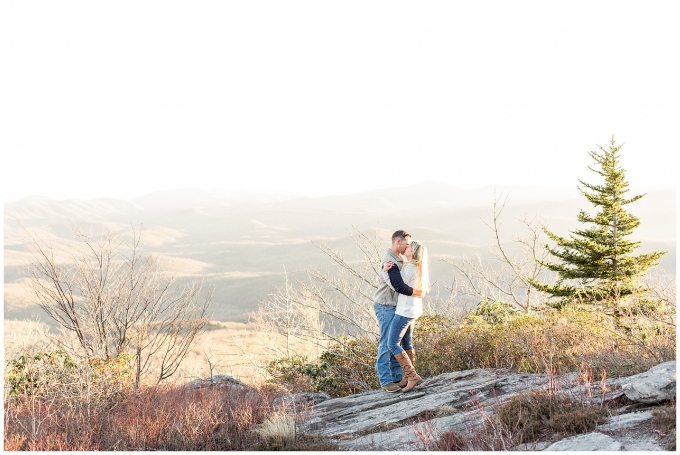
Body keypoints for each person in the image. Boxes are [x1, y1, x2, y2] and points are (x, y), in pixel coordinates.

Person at [373, 230, 422, 393]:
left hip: (400, 307)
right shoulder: (389, 260)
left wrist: (382, 273)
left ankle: (400, 377)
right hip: (387, 305)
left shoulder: (400, 258)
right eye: (406, 244)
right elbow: (398, 286)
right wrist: (383, 272)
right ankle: (386, 380)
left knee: (399, 342)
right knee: (387, 342)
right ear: (398, 242)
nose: (408, 247)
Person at [381, 239, 429, 392]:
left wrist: (384, 273)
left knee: (392, 343)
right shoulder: (419, 267)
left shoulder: (409, 267)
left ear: (412, 253)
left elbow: (397, 285)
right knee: (406, 342)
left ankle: (412, 376)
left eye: (408, 247)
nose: (405, 248)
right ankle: (409, 377)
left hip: (404, 311)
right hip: (413, 310)